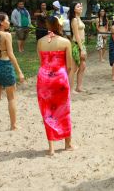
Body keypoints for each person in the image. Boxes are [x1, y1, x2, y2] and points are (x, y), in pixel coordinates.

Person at [37, 16, 75, 155]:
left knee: (47, 112)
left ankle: (51, 147)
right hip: (60, 78)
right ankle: (68, 144)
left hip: (44, 79)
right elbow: (69, 66)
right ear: (59, 26)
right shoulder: (65, 42)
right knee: (64, 110)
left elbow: (41, 61)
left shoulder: (40, 42)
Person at [0, 12, 25, 131]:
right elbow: (11, 54)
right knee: (11, 98)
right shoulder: (7, 35)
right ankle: (13, 125)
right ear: (1, 22)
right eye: (7, 20)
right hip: (6, 66)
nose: (9, 22)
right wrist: (19, 72)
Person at [68, 2, 86, 93]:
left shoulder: (79, 18)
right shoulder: (74, 20)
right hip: (77, 44)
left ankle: (79, 87)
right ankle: (70, 89)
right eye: (78, 6)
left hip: (82, 44)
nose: (80, 7)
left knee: (83, 66)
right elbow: (76, 35)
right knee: (73, 68)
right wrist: (81, 48)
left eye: (80, 6)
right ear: (74, 9)